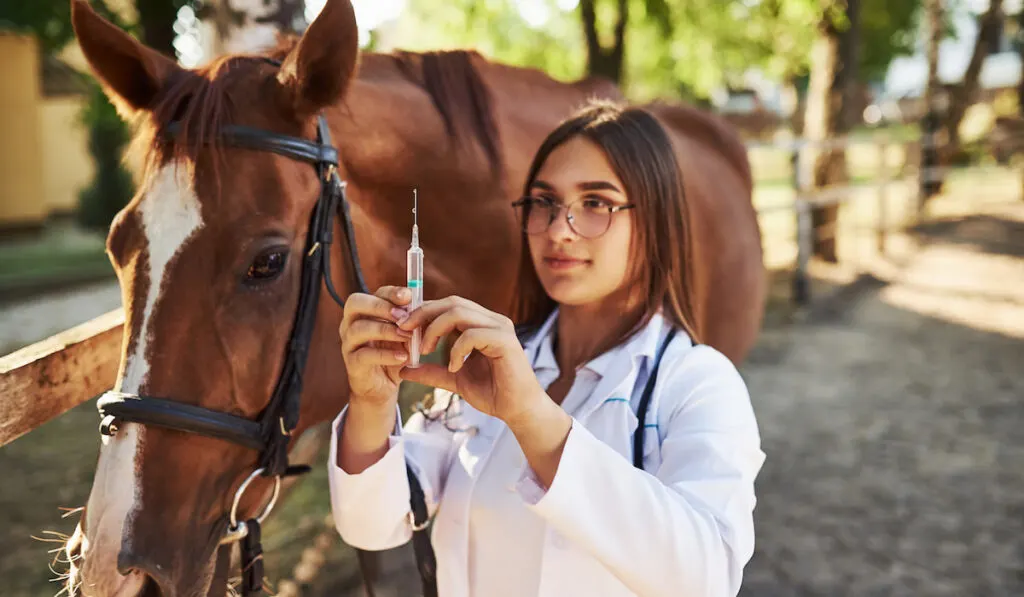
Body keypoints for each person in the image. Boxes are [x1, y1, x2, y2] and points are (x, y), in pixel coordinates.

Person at [328, 100, 765, 597]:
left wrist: (533, 417)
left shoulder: (698, 383)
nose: (559, 230)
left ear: (656, 219)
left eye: (596, 203)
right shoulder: (484, 360)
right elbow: (374, 525)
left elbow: (707, 577)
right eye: (544, 203)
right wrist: (371, 402)